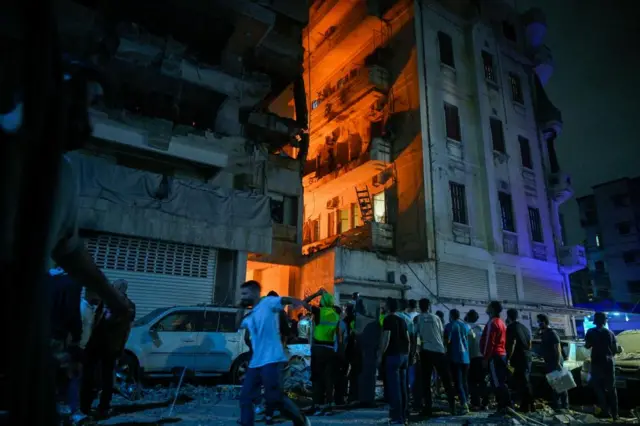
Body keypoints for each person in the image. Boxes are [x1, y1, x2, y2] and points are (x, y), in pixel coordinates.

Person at [238, 280, 311, 426]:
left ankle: (301, 420)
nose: (243, 296)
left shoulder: (268, 302)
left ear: (254, 292)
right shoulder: (252, 314)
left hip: (271, 360)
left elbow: (284, 299)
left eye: (245, 293)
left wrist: (297, 301)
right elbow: (238, 324)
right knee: (245, 397)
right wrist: (241, 308)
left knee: (274, 397)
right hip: (255, 363)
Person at [80, 279, 135, 418]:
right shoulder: (124, 304)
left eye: (113, 287)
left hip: (104, 344)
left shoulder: (121, 304)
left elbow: (125, 328)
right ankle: (98, 406)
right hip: (106, 344)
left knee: (97, 375)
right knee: (103, 376)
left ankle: (90, 406)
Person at [414, 298, 455, 416]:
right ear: (429, 306)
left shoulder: (417, 318)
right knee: (446, 380)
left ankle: (428, 408)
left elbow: (415, 335)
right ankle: (452, 406)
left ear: (419, 306)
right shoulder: (436, 318)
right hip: (440, 351)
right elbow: (441, 334)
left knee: (426, 381)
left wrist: (415, 352)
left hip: (426, 351)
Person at [307, 289, 339, 415]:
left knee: (316, 378)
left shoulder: (319, 312)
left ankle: (316, 404)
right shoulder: (336, 313)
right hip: (331, 349)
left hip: (318, 348)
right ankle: (329, 404)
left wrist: (316, 294)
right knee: (328, 378)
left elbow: (303, 303)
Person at [378, 298, 409, 425]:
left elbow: (386, 337)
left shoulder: (388, 319)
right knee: (403, 387)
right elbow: (408, 338)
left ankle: (396, 418)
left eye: (384, 304)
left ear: (389, 307)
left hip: (393, 355)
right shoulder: (403, 320)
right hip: (404, 355)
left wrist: (380, 355)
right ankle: (404, 416)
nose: (382, 306)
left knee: (394, 388)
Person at [585, 312, 619, 420]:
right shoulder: (610, 333)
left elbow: (587, 346)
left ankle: (605, 412)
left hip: (596, 364)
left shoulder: (590, 332)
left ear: (595, 321)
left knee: (599, 389)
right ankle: (615, 415)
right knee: (611, 390)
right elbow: (614, 350)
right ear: (605, 321)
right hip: (608, 364)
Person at [480, 301, 510, 415]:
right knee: (500, 381)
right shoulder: (502, 323)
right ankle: (505, 406)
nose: (486, 308)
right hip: (502, 354)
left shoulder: (492, 323)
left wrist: (486, 358)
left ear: (492, 308)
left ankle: (503, 407)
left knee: (497, 383)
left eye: (488, 306)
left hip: (494, 355)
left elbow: (489, 342)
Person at [536, 314, 568, 411]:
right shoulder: (544, 333)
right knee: (554, 384)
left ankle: (565, 405)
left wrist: (558, 362)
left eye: (539, 322)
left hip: (555, 361)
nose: (538, 324)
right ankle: (557, 405)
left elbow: (557, 348)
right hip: (549, 361)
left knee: (561, 384)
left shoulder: (552, 333)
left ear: (544, 322)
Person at [506, 308, 533, 413]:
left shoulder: (511, 328)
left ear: (508, 317)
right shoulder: (525, 328)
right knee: (527, 382)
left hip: (518, 359)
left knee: (520, 383)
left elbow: (512, 343)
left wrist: (508, 358)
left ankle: (525, 406)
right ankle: (531, 405)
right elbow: (530, 343)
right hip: (528, 357)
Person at [445, 309, 471, 414]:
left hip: (456, 358)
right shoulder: (465, 326)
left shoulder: (449, 326)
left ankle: (464, 404)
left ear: (451, 316)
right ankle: (467, 401)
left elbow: (447, 341)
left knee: (458, 383)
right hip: (466, 358)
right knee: (464, 381)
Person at [464, 310, 487, 410]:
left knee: (472, 382)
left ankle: (475, 403)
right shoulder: (481, 328)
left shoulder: (466, 327)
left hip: (471, 358)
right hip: (482, 357)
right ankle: (485, 403)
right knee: (482, 381)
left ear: (468, 317)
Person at [333, 306, 350, 405]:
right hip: (338, 352)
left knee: (339, 376)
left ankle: (338, 398)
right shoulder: (342, 323)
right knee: (340, 376)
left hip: (338, 352)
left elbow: (341, 340)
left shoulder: (340, 324)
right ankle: (339, 397)